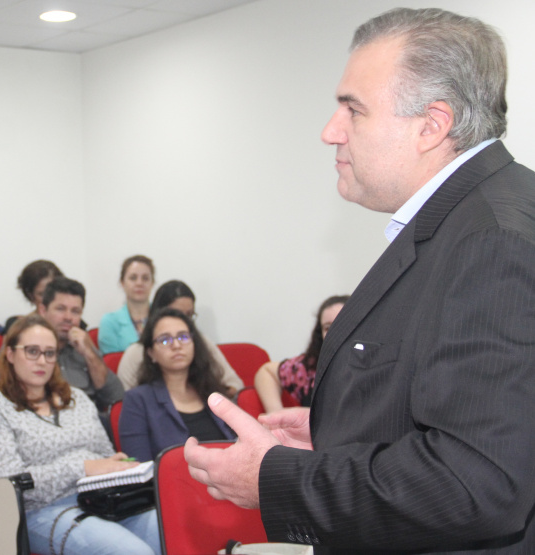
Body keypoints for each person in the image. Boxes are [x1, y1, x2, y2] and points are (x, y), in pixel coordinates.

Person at [185, 8, 535, 553]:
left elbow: (476, 482)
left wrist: (275, 479)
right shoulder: (476, 216)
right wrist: (338, 434)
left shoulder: (491, 240)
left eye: (353, 109)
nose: (331, 132)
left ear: (432, 125)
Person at [0, 315, 162, 555]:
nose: (42, 361)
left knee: (166, 533)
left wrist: (120, 466)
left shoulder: (76, 398)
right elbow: (11, 484)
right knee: (133, 552)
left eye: (50, 353)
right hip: (41, 511)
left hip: (102, 500)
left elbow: (104, 457)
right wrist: (81, 467)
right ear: (10, 355)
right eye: (32, 351)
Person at [119, 308, 235, 462]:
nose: (176, 345)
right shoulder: (137, 401)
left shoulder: (213, 393)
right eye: (165, 340)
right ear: (151, 353)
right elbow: (140, 470)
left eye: (183, 337)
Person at [117, 280, 243, 397]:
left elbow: (235, 384)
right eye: (176, 314)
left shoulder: (201, 343)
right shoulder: (135, 353)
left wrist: (209, 399)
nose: (184, 320)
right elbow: (126, 401)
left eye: (189, 315)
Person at [38, 277, 124, 413]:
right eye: (60, 309)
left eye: (75, 311)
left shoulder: (83, 346)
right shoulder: (26, 345)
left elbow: (115, 395)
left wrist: (89, 353)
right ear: (43, 311)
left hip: (88, 421)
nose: (68, 317)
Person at [252, 295, 348, 413]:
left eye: (342, 324)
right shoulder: (310, 367)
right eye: (327, 328)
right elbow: (266, 372)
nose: (334, 332)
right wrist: (276, 414)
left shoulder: (375, 365)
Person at [98, 255, 155, 354]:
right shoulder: (110, 322)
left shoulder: (163, 317)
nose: (139, 283)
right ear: (122, 283)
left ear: (152, 283)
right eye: (133, 278)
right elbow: (111, 364)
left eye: (145, 278)